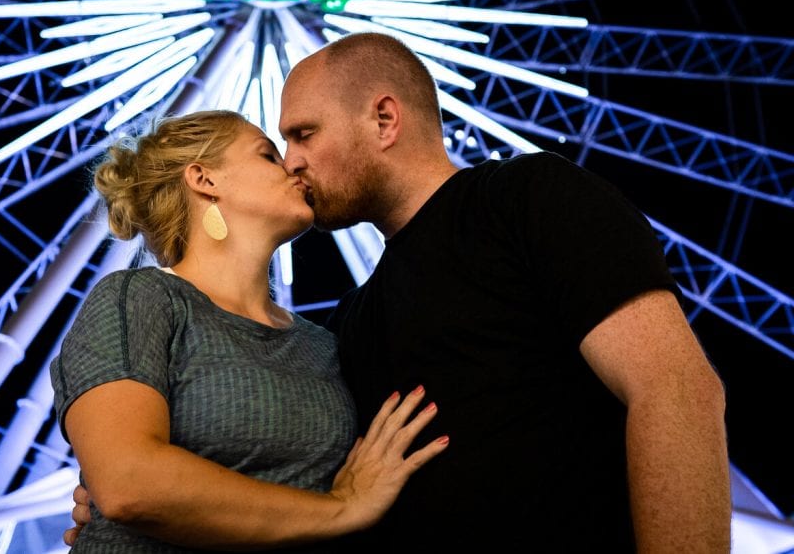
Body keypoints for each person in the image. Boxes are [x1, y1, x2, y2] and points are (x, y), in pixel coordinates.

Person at [67, 33, 732, 551]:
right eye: (276, 147)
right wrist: (125, 495)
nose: (294, 161)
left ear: (385, 118)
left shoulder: (528, 200)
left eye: (303, 135)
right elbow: (312, 474)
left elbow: (676, 389)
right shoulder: (348, 325)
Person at [49, 108, 448, 553]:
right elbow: (128, 484)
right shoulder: (141, 299)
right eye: (268, 155)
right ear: (204, 179)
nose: (294, 166)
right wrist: (344, 508)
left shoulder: (324, 344)